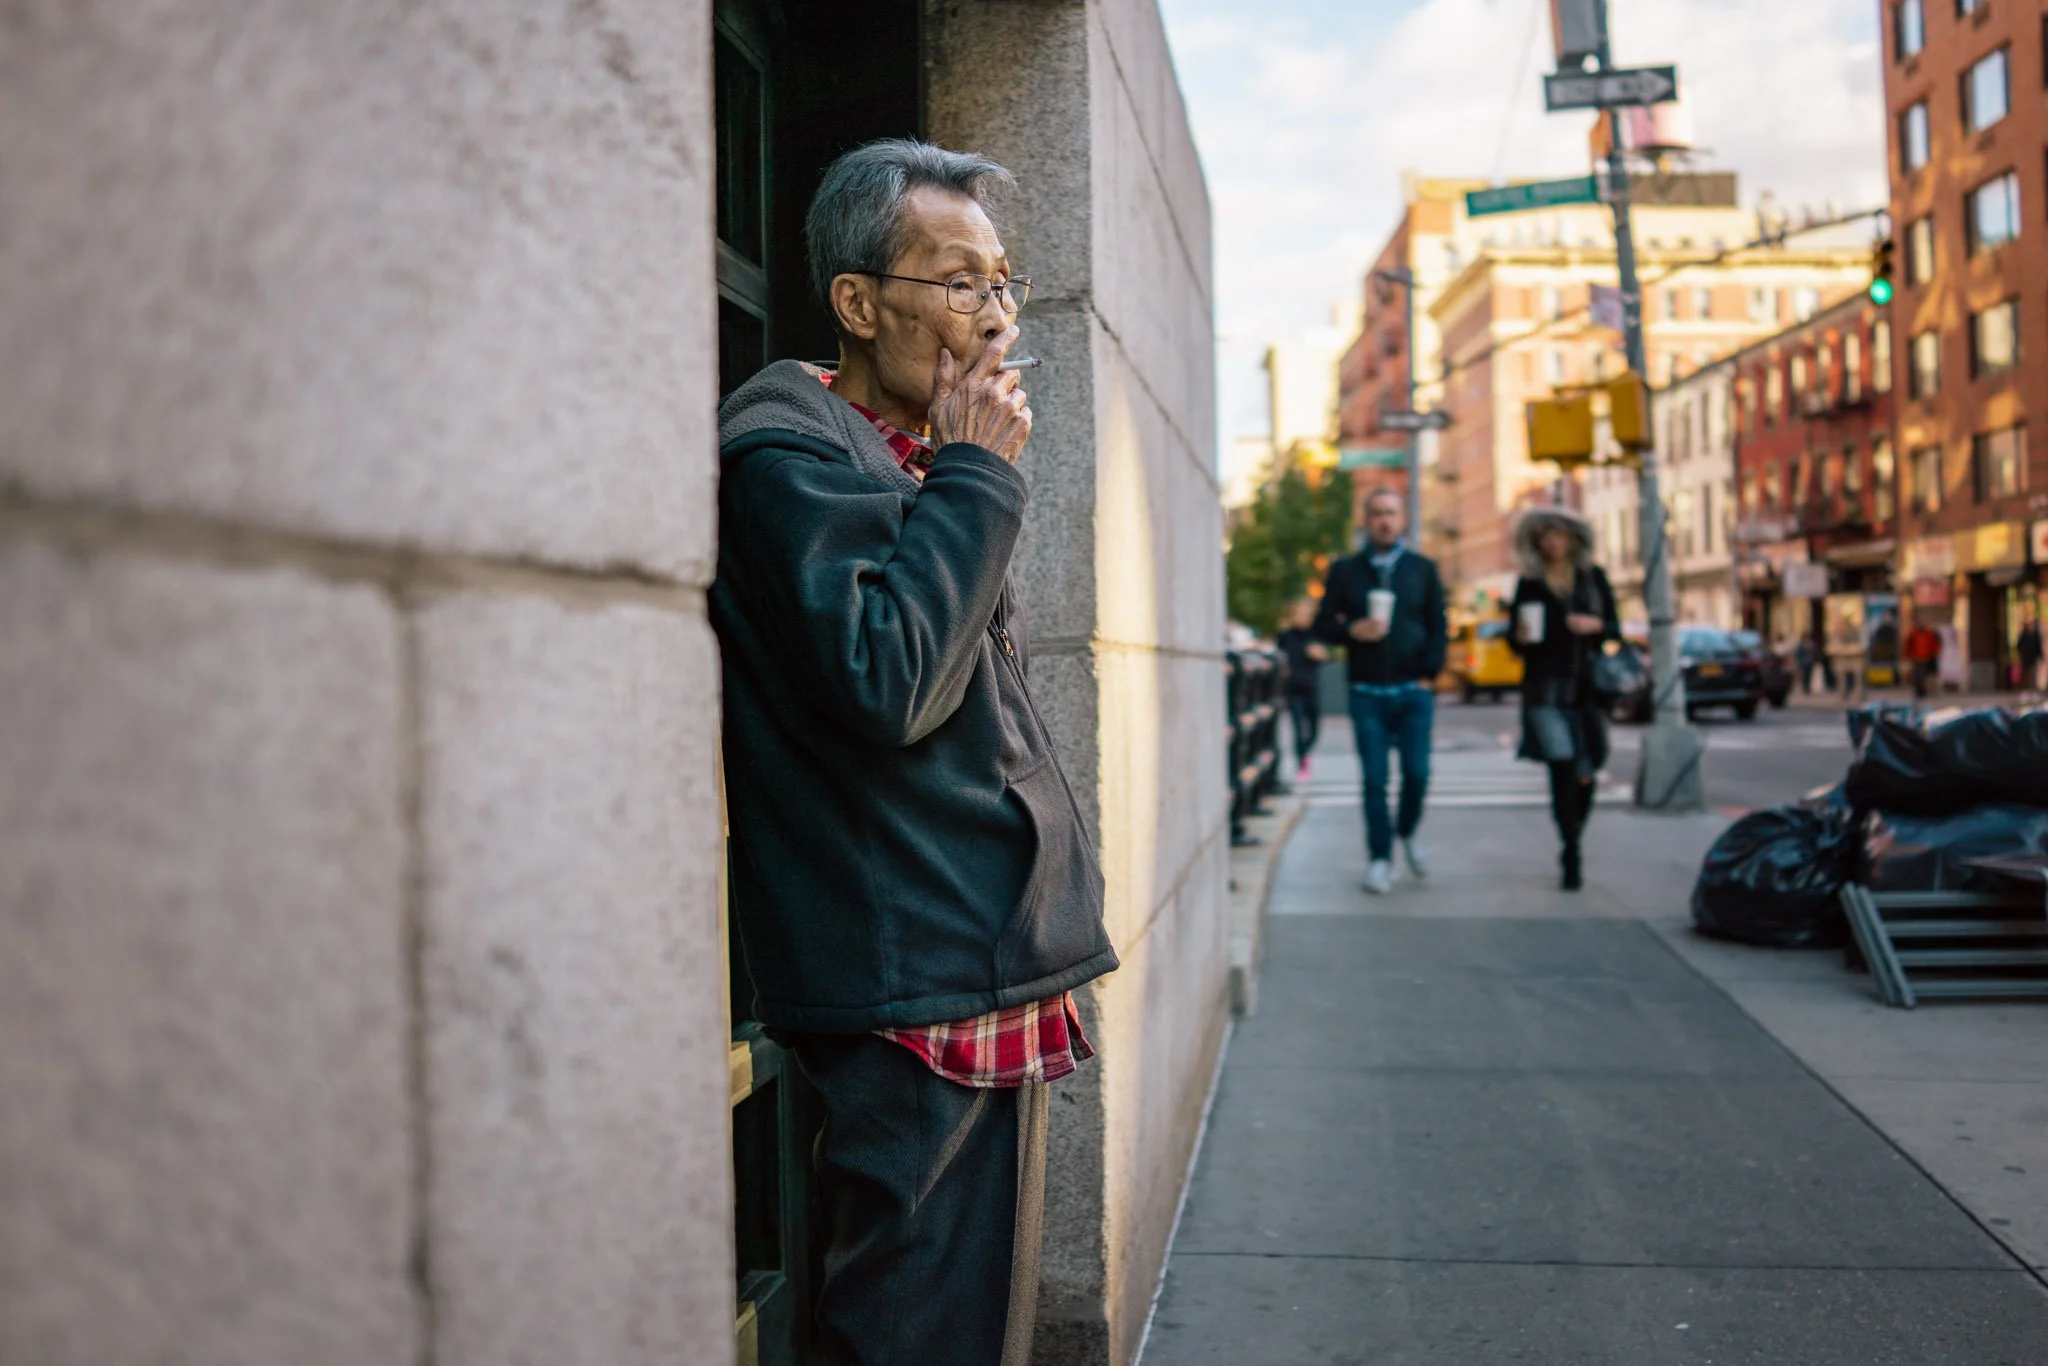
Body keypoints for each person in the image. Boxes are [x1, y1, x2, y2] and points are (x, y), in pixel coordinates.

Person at [711, 139, 1117, 1366]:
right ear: (855, 301)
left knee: (967, 1314)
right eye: (958, 284)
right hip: (911, 964)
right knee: (911, 1323)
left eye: (1001, 283)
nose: (994, 317)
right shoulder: (791, 458)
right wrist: (983, 476)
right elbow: (888, 678)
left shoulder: (911, 455)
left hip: (979, 947)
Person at [1312, 488, 1448, 895]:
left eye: (1390, 512)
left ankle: (1406, 831)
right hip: (1366, 690)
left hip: (1413, 689)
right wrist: (1351, 630)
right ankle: (1380, 858)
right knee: (1374, 781)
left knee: (1417, 774)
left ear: (1402, 518)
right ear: (1366, 520)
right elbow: (1322, 626)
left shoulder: (1422, 569)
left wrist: (1429, 674)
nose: (1384, 521)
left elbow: (1438, 626)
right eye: (1376, 514)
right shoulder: (1345, 570)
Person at [1505, 506, 1621, 892]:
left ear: (1573, 537)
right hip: (1544, 690)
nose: (1552, 541)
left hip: (1587, 691)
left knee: (1588, 772)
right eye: (1545, 535)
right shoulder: (1530, 584)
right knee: (1563, 767)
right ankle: (1571, 852)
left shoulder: (1592, 579)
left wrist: (1594, 626)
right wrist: (1520, 636)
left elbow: (1614, 628)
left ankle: (1573, 837)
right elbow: (1515, 642)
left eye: (1559, 533)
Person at [1275, 598, 1330, 780]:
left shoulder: (1315, 634)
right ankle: (1301, 762)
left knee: (1314, 729)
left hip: (1311, 687)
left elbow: (1325, 655)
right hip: (1293, 689)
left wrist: (1318, 653)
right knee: (1298, 728)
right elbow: (1278, 657)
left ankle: (1305, 753)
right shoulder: (1286, 636)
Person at [1905, 617, 1941, 700]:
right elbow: (1908, 645)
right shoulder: (1913, 633)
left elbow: (1934, 644)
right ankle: (1919, 692)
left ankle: (1924, 691)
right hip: (1917, 658)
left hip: (1926, 657)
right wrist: (1909, 655)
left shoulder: (1928, 633)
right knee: (1918, 676)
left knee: (1926, 676)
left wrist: (1934, 654)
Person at [2018, 616, 2044, 694]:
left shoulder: (2035, 635)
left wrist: (2040, 656)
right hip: (2026, 657)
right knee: (2026, 674)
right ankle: (2026, 689)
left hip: (2032, 658)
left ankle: (2032, 689)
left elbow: (2038, 647)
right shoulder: (2024, 635)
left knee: (2032, 674)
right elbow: (2019, 645)